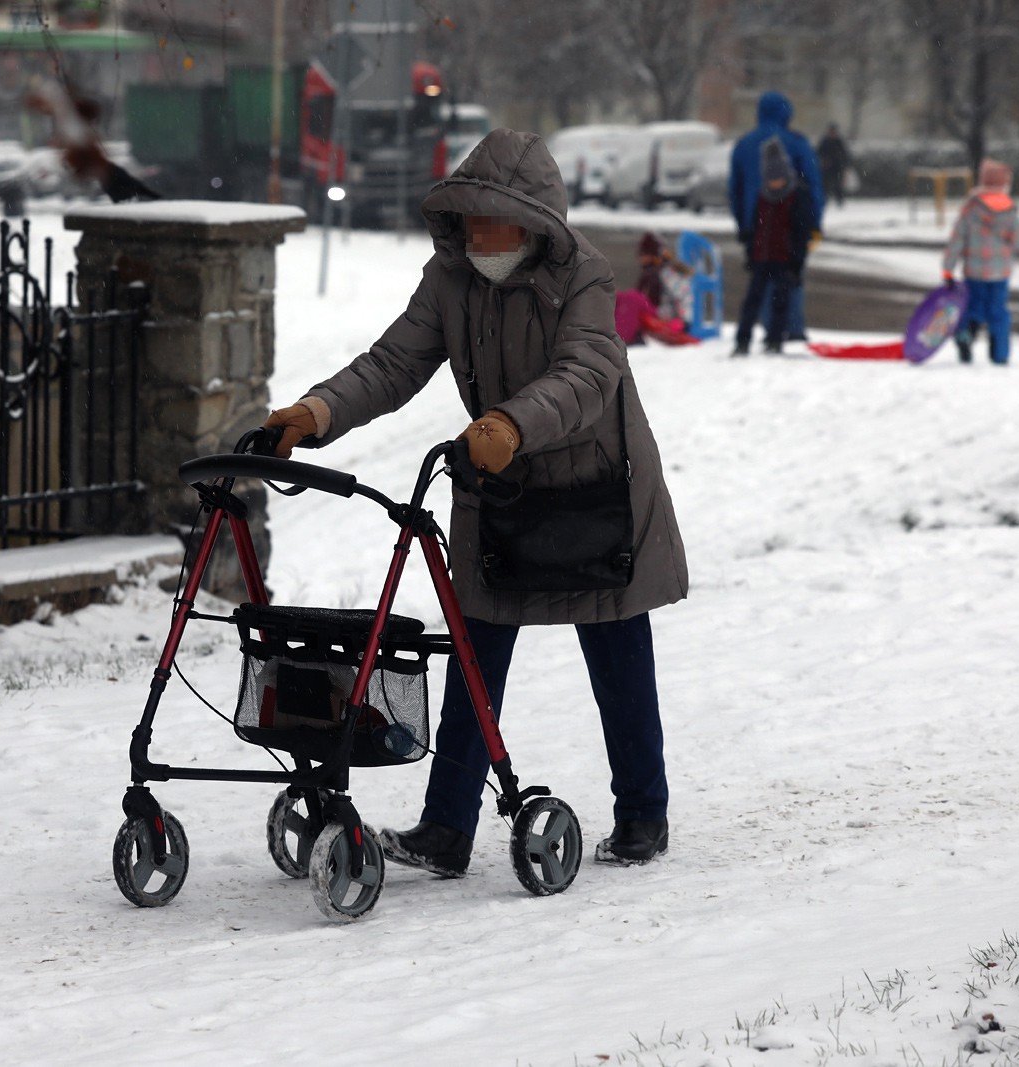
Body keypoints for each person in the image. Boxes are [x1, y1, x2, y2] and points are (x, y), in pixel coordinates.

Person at [262, 128, 689, 875]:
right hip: (500, 483)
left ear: (534, 221)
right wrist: (317, 412)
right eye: (470, 217)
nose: (479, 234)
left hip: (594, 487)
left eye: (494, 219)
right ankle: (447, 827)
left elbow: (590, 370)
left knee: (617, 649)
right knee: (474, 647)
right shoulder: (451, 276)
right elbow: (394, 362)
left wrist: (512, 422)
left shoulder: (583, 276)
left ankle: (643, 811)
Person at [730, 91, 822, 343]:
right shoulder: (797, 143)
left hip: (755, 224)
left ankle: (761, 327)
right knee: (791, 274)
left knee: (758, 283)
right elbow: (813, 185)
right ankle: (789, 329)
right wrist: (814, 223)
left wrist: (742, 223)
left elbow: (735, 189)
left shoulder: (744, 144)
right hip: (792, 224)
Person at [942, 158, 1019, 366]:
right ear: (1004, 183)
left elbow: (957, 240)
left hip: (974, 272)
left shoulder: (970, 208)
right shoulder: (1010, 210)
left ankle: (965, 336)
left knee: (974, 307)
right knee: (998, 312)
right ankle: (1000, 354)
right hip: (1000, 273)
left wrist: (948, 268)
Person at [816, 123, 852, 209]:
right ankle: (825, 200)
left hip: (837, 167)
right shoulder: (825, 141)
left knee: (838, 185)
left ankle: (839, 201)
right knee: (825, 185)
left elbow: (845, 154)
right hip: (826, 167)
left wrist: (845, 165)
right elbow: (819, 152)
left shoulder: (839, 141)